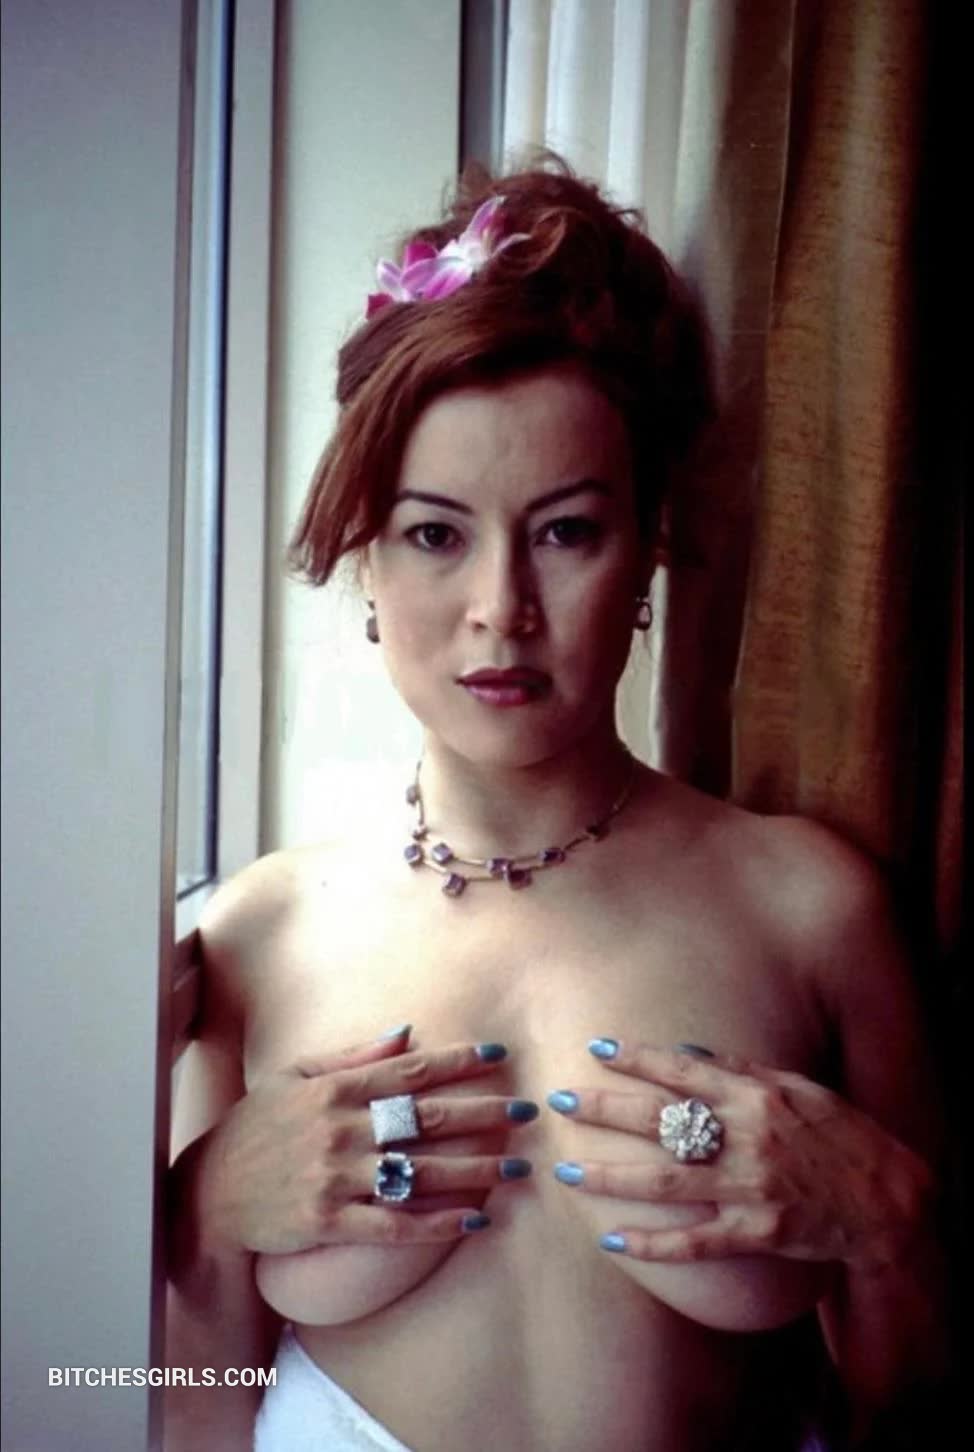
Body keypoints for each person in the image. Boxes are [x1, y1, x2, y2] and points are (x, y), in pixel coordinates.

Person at [166, 158, 945, 1452]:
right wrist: (201, 1214)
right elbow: (183, 1419)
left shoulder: (811, 909)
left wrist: (885, 1223)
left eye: (566, 531)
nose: (500, 610)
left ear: (646, 552)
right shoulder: (249, 942)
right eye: (435, 534)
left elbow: (920, 1403)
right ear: (366, 559)